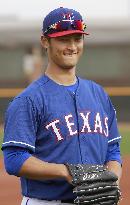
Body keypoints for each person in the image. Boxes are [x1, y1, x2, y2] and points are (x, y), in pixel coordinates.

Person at [2, 7, 122, 205]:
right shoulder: (28, 100)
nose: (72, 46)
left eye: (77, 38)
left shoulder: (98, 94)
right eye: (64, 39)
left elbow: (113, 150)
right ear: (45, 41)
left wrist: (111, 180)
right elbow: (15, 159)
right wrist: (66, 172)